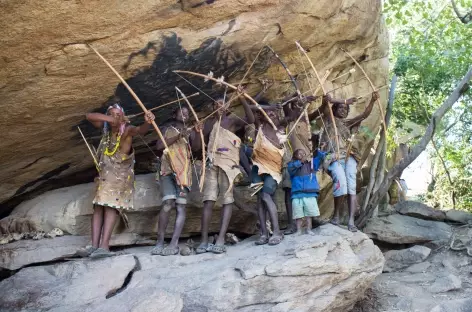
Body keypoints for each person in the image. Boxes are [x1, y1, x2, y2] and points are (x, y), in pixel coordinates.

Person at [78, 103, 155, 258]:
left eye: (118, 114)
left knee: (110, 207)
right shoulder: (107, 133)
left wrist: (148, 121)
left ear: (123, 117)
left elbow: (140, 130)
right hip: (105, 175)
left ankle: (104, 246)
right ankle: (94, 246)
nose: (115, 117)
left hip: (119, 178)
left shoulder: (126, 130)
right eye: (111, 114)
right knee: (98, 207)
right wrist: (112, 119)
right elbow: (89, 116)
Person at [197, 86, 255, 254]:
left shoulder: (232, 121)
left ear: (228, 106)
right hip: (212, 163)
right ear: (213, 108)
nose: (219, 106)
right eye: (216, 104)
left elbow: (250, 119)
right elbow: (197, 145)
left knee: (227, 200)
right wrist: (198, 130)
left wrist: (242, 97)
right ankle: (203, 240)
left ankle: (221, 239)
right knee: (208, 200)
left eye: (222, 103)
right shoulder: (209, 123)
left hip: (228, 164)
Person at [310, 92, 379, 232]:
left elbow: (364, 115)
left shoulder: (348, 123)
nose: (343, 110)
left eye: (345, 109)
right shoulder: (329, 119)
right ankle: (336, 217)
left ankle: (351, 221)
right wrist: (345, 100)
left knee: (351, 186)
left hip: (349, 156)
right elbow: (326, 101)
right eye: (340, 108)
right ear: (334, 109)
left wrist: (372, 100)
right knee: (340, 182)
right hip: (333, 157)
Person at [151, 107, 202, 256]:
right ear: (174, 113)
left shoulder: (190, 130)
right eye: (182, 112)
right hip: (166, 170)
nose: (186, 115)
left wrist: (197, 133)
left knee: (180, 206)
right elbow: (159, 146)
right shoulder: (166, 128)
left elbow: (197, 148)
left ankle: (173, 244)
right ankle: (159, 242)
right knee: (167, 204)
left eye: (187, 113)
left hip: (184, 172)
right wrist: (179, 135)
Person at [281, 95, 318, 235]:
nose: (299, 105)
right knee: (289, 191)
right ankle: (292, 224)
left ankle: (308, 225)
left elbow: (320, 110)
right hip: (290, 160)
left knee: (308, 192)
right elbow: (286, 105)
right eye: (296, 103)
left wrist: (321, 102)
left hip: (307, 162)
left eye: (300, 103)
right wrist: (294, 98)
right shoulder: (289, 116)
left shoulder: (305, 117)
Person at [251, 108, 286, 245]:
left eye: (273, 112)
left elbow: (290, 117)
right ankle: (264, 234)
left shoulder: (280, 129)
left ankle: (277, 232)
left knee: (266, 195)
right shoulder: (258, 127)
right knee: (260, 199)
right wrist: (242, 97)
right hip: (256, 168)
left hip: (273, 169)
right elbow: (251, 111)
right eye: (268, 113)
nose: (271, 114)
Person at [287, 149, 326, 235]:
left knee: (309, 214)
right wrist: (300, 162)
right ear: (294, 156)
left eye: (304, 153)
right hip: (297, 194)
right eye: (300, 154)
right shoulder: (292, 165)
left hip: (310, 193)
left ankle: (309, 229)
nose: (303, 155)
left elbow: (320, 158)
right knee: (298, 214)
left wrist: (321, 150)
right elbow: (290, 169)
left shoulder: (311, 165)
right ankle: (298, 230)